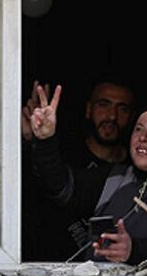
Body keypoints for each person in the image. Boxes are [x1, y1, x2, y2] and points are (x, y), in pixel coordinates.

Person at [29, 86, 147, 265]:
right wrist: (45, 139)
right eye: (138, 129)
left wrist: (134, 251)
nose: (143, 137)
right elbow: (61, 186)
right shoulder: (113, 177)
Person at [20, 80, 134, 260]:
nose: (112, 116)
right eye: (103, 105)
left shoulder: (135, 170)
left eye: (123, 109)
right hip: (54, 264)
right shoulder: (64, 155)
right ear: (88, 110)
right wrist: (34, 141)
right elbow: (39, 183)